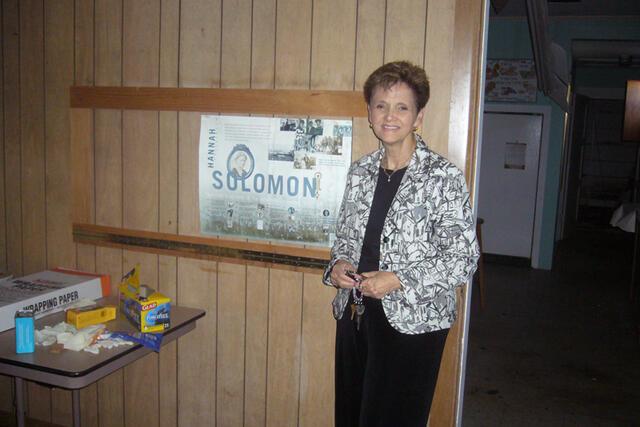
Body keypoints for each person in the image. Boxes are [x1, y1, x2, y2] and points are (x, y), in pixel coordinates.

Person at [323, 61, 479, 427]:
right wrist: (337, 267)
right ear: (369, 113)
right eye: (381, 105)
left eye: (402, 107)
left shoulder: (443, 178)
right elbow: (344, 241)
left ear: (418, 116)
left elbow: (463, 258)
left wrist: (398, 278)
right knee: (351, 415)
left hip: (413, 323)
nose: (389, 115)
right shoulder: (359, 173)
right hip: (355, 314)